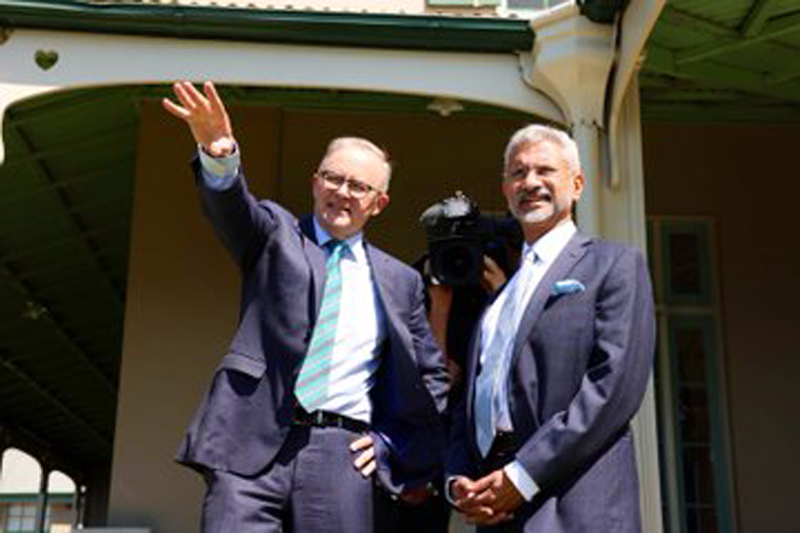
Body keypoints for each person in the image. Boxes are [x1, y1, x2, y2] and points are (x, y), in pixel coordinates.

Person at [162, 81, 449, 532]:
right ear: (316, 182)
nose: (343, 191)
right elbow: (232, 207)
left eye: (359, 185)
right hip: (248, 447)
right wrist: (219, 153)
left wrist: (392, 444)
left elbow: (429, 378)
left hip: (343, 456)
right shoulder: (276, 234)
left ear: (379, 203)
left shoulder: (401, 281)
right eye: (333, 178)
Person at [444, 124, 656, 531]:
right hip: (494, 506)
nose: (531, 182)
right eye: (518, 173)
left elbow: (612, 390)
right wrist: (458, 482)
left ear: (577, 185)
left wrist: (523, 476)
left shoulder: (613, 265)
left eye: (545, 170)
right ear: (505, 190)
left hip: (574, 506)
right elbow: (469, 402)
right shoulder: (498, 299)